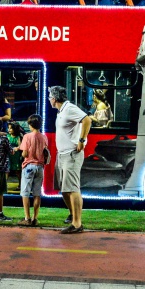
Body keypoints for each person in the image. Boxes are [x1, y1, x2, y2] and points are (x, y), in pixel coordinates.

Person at [48, 85, 91, 234]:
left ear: (54, 99)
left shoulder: (69, 108)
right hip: (62, 154)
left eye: (49, 98)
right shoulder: (61, 111)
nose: (49, 100)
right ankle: (73, 215)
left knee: (72, 188)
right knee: (64, 189)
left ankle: (77, 224)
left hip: (72, 154)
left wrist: (81, 140)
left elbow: (87, 120)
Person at [17, 114, 48, 226]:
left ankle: (27, 218)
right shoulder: (44, 137)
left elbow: (25, 153)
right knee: (37, 193)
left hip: (29, 165)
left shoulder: (27, 136)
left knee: (25, 193)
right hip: (40, 167)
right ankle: (35, 218)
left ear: (30, 124)